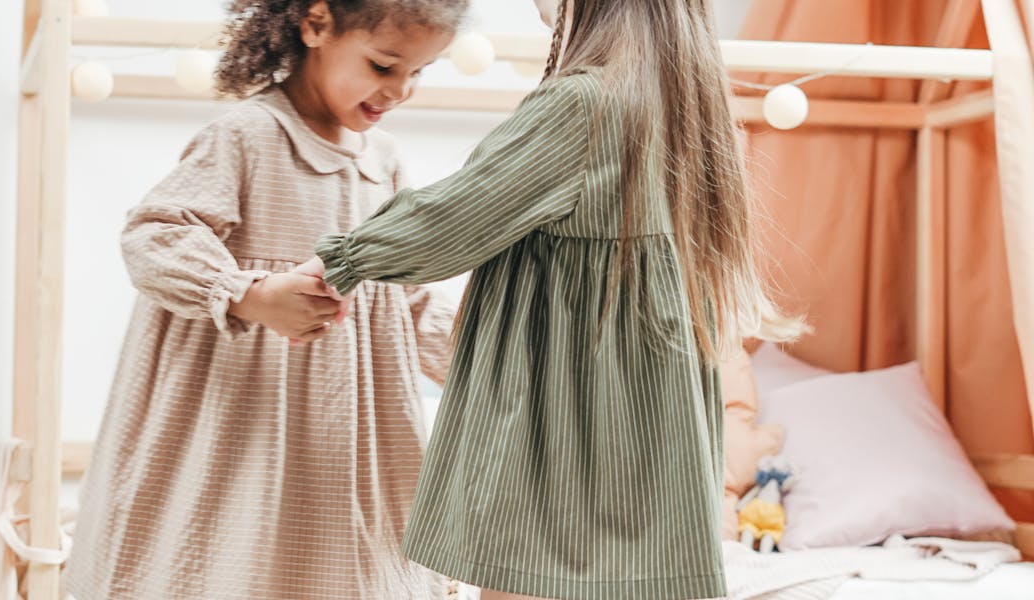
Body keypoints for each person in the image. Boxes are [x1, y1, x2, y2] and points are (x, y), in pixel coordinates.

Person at [304, 0, 803, 598]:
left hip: (565, 428)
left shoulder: (583, 103)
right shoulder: (683, 109)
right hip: (639, 430)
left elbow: (455, 215)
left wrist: (337, 261)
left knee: (527, 578)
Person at [66, 1, 466, 597]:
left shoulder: (383, 165)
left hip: (340, 446)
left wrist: (484, 352)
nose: (401, 90)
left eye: (418, 72)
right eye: (384, 66)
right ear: (316, 25)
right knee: (228, 568)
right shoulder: (247, 135)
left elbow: (401, 302)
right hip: (239, 426)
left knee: (346, 572)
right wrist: (244, 293)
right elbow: (153, 235)